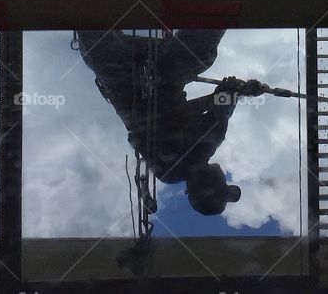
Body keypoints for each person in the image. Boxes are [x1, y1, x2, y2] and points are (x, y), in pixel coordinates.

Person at [76, 28, 264, 216]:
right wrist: (236, 91)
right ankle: (213, 10)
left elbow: (174, 117)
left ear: (205, 187)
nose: (221, 178)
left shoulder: (170, 171)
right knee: (199, 53)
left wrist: (224, 95)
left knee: (99, 42)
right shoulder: (211, 140)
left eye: (220, 184)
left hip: (122, 79)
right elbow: (222, 106)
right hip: (162, 74)